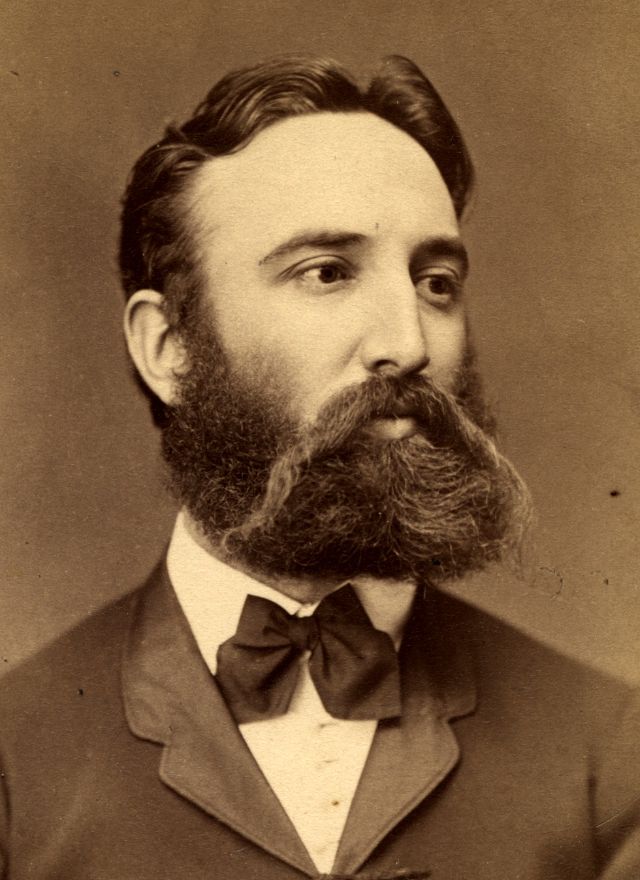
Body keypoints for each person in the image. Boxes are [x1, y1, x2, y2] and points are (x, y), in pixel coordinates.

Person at [0, 55, 638, 880]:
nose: (408, 343)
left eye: (435, 282)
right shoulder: (15, 759)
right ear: (169, 348)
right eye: (327, 273)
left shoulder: (610, 753)